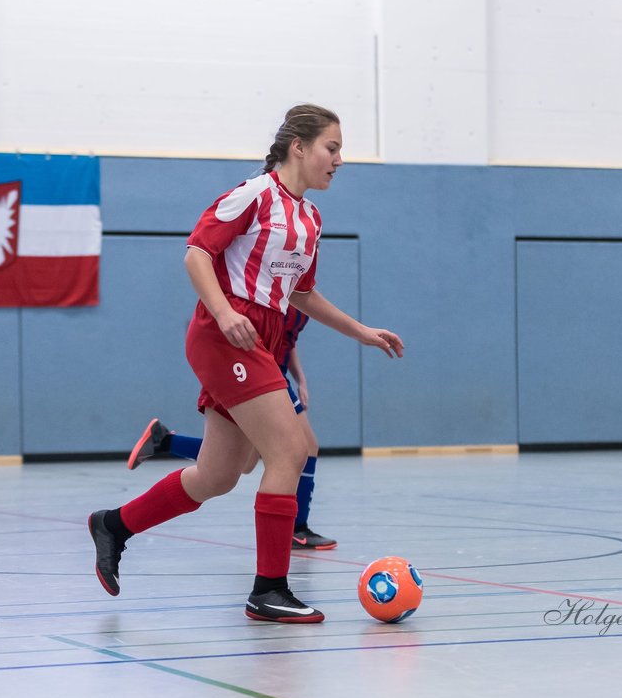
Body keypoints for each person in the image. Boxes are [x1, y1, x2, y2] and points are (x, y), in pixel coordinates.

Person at [88, 103, 403, 623]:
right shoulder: (253, 195)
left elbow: (302, 294)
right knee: (292, 449)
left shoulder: (310, 218)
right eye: (333, 147)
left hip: (262, 341)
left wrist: (360, 331)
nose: (339, 160)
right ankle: (269, 588)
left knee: (219, 475)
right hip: (225, 337)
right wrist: (224, 311)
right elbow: (196, 253)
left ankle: (114, 524)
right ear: (298, 146)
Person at [127, 305, 338, 551]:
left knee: (245, 463)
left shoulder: (298, 283)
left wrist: (300, 377)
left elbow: (287, 339)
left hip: (275, 371)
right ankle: (296, 529)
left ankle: (165, 442)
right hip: (258, 373)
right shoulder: (266, 285)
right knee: (305, 447)